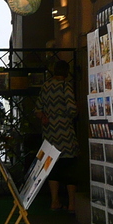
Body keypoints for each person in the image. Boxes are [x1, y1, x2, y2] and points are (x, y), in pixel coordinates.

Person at [37, 59, 78, 212]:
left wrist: (45, 118)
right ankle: (72, 204)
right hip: (65, 132)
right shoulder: (65, 85)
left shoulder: (46, 86)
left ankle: (54, 201)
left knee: (52, 166)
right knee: (69, 167)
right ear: (66, 71)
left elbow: (38, 109)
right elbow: (71, 108)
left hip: (49, 133)